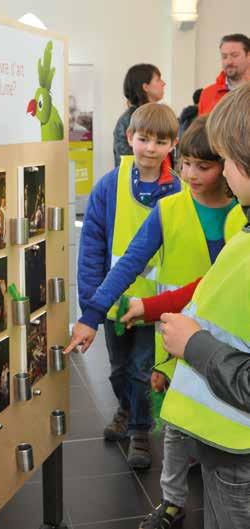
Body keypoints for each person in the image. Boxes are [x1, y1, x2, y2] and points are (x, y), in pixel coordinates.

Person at [65, 113, 245, 482]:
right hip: (171, 327)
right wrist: (92, 314)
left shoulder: (237, 219)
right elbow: (129, 261)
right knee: (157, 393)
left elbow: (206, 284)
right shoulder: (170, 208)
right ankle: (170, 488)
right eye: (187, 166)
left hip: (220, 343)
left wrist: (145, 307)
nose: (192, 175)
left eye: (205, 166)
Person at [152, 82, 250, 529]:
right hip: (224, 444)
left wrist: (195, 346)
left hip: (239, 455)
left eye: (226, 160)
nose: (223, 173)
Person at [68, 102, 180, 469]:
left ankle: (141, 431)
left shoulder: (178, 189)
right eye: (144, 138)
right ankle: (127, 408)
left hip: (155, 305)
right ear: (129, 137)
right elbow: (92, 248)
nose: (150, 148)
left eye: (160, 141)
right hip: (114, 302)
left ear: (172, 145)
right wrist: (91, 304)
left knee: (141, 368)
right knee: (117, 369)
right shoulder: (109, 186)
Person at [113, 64, 165, 166]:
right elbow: (126, 165)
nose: (163, 83)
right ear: (145, 87)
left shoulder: (162, 116)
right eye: (158, 80)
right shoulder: (127, 121)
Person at [198, 33, 250, 115]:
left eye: (235, 55)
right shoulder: (207, 94)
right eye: (224, 56)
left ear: (248, 56)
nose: (228, 61)